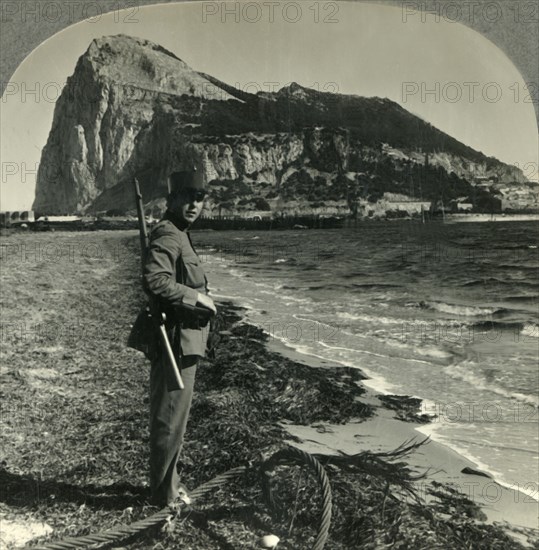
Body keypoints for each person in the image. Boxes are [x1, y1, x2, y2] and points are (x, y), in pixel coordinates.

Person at [143, 168, 216, 507]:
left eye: (199, 199)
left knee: (176, 419)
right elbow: (155, 281)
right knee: (169, 421)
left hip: (186, 340)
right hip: (174, 340)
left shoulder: (181, 233)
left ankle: (169, 484)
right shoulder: (169, 234)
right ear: (172, 199)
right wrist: (196, 298)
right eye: (187, 197)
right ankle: (163, 499)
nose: (193, 205)